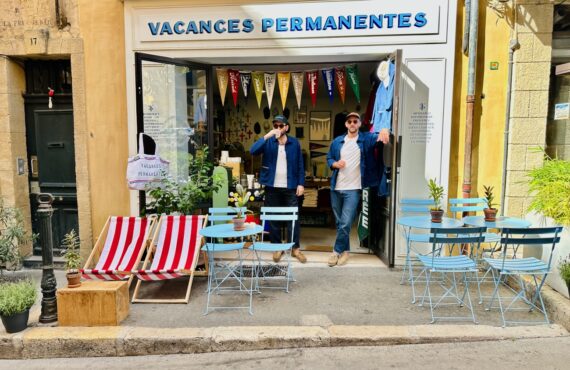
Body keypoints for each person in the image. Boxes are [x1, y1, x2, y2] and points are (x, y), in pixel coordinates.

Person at [326, 112, 381, 266]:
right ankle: (346, 252)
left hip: (354, 189)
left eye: (355, 121)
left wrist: (384, 131)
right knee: (339, 223)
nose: (352, 124)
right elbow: (329, 158)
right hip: (336, 188)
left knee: (345, 223)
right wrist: (334, 164)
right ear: (346, 124)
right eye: (349, 121)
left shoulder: (366, 139)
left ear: (359, 124)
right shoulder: (337, 141)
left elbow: (378, 139)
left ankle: (335, 252)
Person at [250, 115, 307, 263]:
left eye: (281, 126)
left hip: (290, 186)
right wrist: (267, 135)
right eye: (275, 125)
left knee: (293, 219)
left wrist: (301, 183)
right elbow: (252, 150)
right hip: (272, 186)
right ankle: (277, 247)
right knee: (274, 218)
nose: (278, 128)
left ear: (286, 127)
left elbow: (301, 165)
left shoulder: (294, 143)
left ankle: (295, 248)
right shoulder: (269, 141)